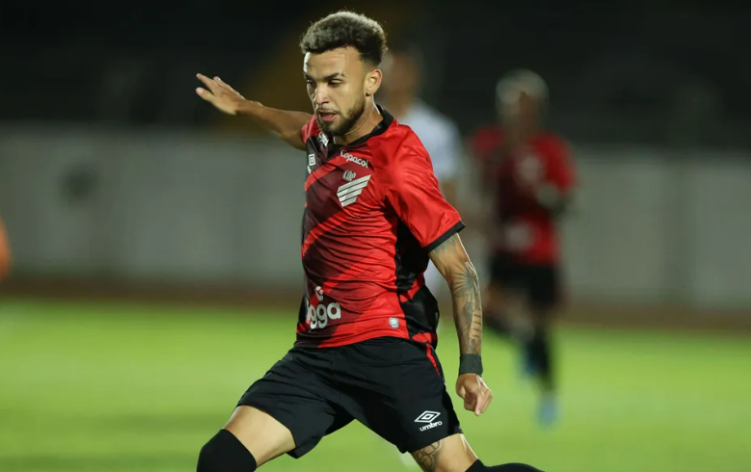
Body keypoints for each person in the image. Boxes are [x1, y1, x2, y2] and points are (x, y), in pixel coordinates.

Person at [195, 11, 546, 472]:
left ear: (372, 81)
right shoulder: (325, 134)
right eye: (311, 82)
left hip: (387, 355)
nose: (320, 98)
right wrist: (246, 107)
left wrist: (471, 364)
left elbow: (460, 270)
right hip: (316, 355)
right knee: (220, 460)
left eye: (334, 82)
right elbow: (293, 125)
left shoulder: (399, 160)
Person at [468, 70, 575, 427]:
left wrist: (542, 191)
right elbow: (482, 185)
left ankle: (548, 397)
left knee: (542, 325)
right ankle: (523, 343)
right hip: (504, 249)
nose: (516, 112)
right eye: (511, 104)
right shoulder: (491, 144)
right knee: (483, 310)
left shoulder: (550, 149)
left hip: (540, 252)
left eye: (523, 104)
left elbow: (565, 202)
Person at [380, 41, 463, 302]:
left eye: (401, 71)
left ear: (415, 76)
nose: (395, 78)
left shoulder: (437, 130)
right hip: (371, 240)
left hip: (419, 243)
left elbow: (448, 194)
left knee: (418, 327)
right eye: (390, 70)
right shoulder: (358, 123)